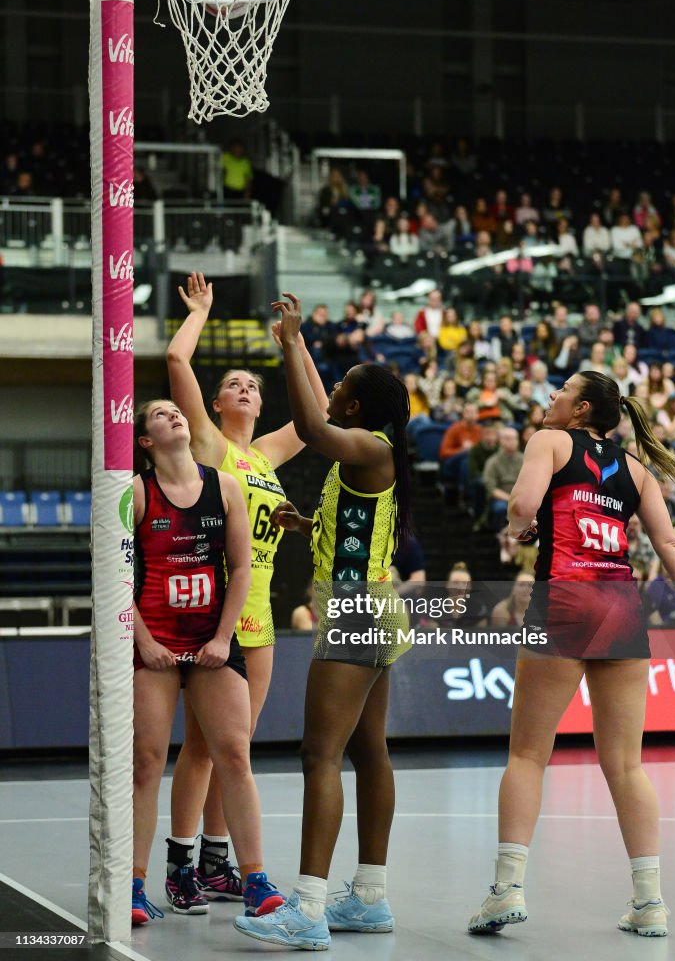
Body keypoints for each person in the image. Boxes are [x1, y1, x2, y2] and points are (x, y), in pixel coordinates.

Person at [467, 371, 675, 938]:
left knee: (529, 754)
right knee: (627, 764)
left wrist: (520, 525)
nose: (550, 395)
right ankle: (650, 901)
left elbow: (523, 505)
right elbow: (670, 544)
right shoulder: (635, 470)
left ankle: (506, 888)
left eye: (560, 390)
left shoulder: (547, 441)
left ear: (580, 409)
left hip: (561, 599)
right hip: (621, 609)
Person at [234, 293, 412, 950]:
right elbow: (361, 529)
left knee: (320, 754)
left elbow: (310, 426)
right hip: (378, 605)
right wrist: (308, 525)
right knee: (368, 751)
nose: (330, 392)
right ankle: (368, 896)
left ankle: (307, 907)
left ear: (357, 408)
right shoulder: (371, 448)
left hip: (361, 610)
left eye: (340, 388)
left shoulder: (363, 445)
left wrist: (289, 347)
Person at [163, 272, 329, 912]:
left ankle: (213, 862)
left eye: (254, 386)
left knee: (234, 746)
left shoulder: (263, 456)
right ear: (217, 400)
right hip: (212, 611)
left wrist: (296, 344)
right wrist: (200, 311)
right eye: (235, 383)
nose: (246, 388)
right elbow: (178, 358)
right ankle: (182, 865)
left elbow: (320, 413)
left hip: (257, 612)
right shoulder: (209, 446)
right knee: (204, 747)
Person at [131, 400, 278, 925]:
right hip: (156, 643)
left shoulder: (226, 486)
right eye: (159, 415)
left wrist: (222, 638)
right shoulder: (135, 493)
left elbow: (240, 568)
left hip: (212, 639)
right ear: (146, 440)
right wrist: (145, 643)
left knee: (234, 754)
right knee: (147, 762)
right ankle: (135, 884)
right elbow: (115, 577)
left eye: (177, 411)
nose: (174, 416)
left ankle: (256, 880)